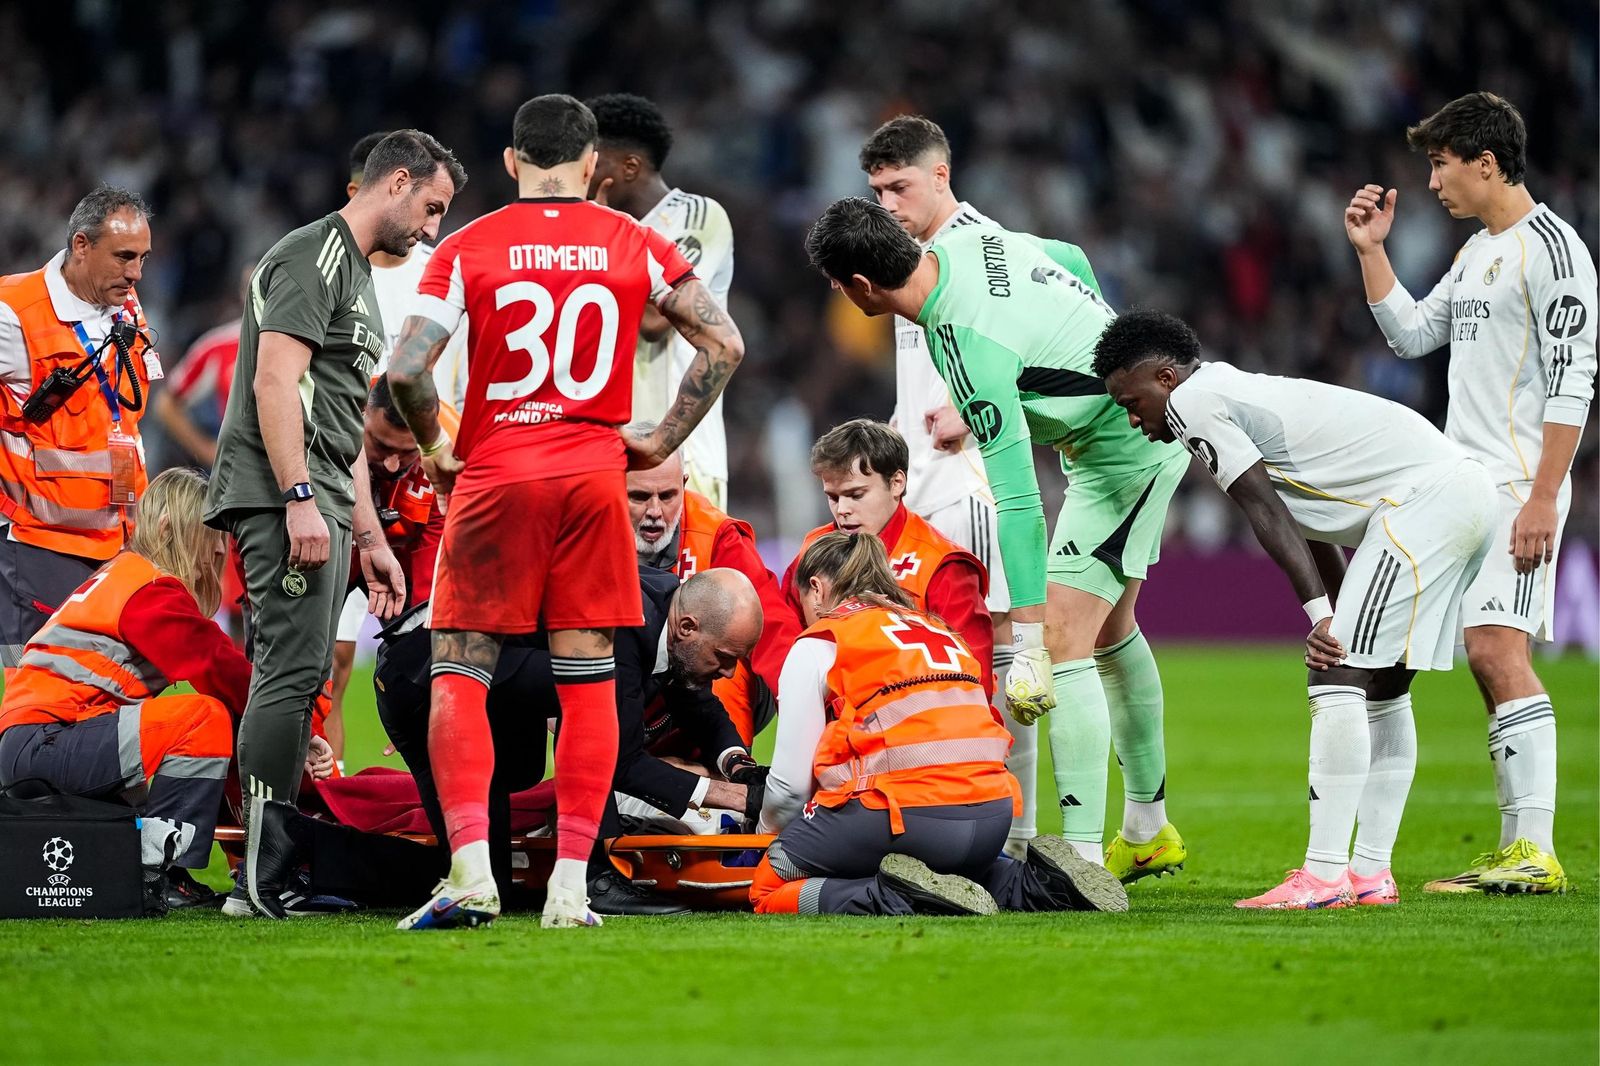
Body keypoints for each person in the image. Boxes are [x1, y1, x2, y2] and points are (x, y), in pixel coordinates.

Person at [386, 94, 744, 930]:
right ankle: (571, 889)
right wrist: (657, 442)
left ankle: (472, 872)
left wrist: (439, 449)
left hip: (496, 478)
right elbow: (724, 344)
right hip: (592, 480)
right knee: (588, 687)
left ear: (512, 164)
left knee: (459, 675)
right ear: (590, 165)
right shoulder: (637, 240)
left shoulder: (467, 246)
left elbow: (407, 372)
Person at [805, 197, 1188, 879]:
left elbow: (1017, 498)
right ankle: (1147, 826)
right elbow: (1067, 259)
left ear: (861, 288)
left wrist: (1032, 643)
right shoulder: (978, 244)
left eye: (838, 283)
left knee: (1066, 642)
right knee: (1111, 633)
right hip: (1114, 440)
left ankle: (1078, 864)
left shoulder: (960, 343)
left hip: (1124, 455)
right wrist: (1096, 357)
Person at [1095, 310, 1499, 909]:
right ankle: (1368, 875)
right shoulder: (1233, 392)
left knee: (1334, 669)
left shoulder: (1196, 402)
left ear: (1165, 377)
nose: (1133, 419)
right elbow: (1309, 522)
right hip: (1462, 495)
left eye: (1132, 400)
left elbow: (1265, 511)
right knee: (1383, 685)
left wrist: (1319, 618)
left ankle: (1325, 876)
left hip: (1425, 502)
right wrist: (1331, 607)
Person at [204, 129, 464, 918]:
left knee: (303, 671)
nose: (432, 230)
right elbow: (274, 383)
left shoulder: (349, 270)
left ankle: (267, 865)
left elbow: (342, 421)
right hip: (285, 493)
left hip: (319, 495)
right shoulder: (312, 256)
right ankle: (258, 873)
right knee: (288, 674)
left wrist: (368, 534)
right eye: (430, 207)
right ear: (393, 182)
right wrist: (296, 498)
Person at [1345, 92, 1595, 896]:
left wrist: (1542, 499)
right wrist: (1371, 252)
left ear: (1485, 163)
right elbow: (1412, 334)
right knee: (1461, 659)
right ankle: (1516, 847)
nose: (1431, 181)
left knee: (1497, 650)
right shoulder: (1477, 251)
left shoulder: (1554, 251)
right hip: (1462, 486)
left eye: (1441, 163)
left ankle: (1533, 850)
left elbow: (1573, 382)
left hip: (1517, 486)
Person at [0, 469, 333, 910]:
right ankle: (160, 870)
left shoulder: (126, 577)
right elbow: (216, 663)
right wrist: (296, 725)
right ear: (169, 529)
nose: (215, 551)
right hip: (47, 741)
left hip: (43, 740)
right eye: (207, 539)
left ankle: (195, 867)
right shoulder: (149, 589)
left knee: (208, 718)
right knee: (203, 718)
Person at [751, 531, 1127, 917]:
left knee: (767, 885)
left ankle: (896, 897)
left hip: (902, 816)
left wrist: (768, 829)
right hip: (992, 817)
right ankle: (1037, 884)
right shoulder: (939, 629)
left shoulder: (818, 644)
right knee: (957, 870)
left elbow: (791, 789)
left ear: (816, 588)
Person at [379, 566, 765, 918]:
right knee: (585, 703)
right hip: (420, 685)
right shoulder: (625, 621)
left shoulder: (668, 608)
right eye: (724, 656)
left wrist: (737, 765)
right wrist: (733, 797)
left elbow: (696, 700)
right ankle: (594, 875)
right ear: (687, 627)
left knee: (499, 880)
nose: (730, 672)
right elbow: (618, 760)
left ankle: (586, 872)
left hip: (480, 682)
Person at [858, 116, 1033, 848]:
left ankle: (1017, 840)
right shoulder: (907, 259)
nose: (888, 202)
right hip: (913, 484)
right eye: (876, 190)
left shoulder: (986, 249)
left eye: (899, 186)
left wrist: (975, 400)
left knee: (992, 664)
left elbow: (1041, 336)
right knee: (913, 660)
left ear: (940, 174)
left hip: (972, 484)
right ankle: (921, 823)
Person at [328, 133, 472, 762]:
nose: (427, 225)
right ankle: (317, 803)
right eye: (429, 207)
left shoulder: (440, 276)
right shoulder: (324, 273)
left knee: (432, 651)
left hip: (419, 466)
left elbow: (459, 385)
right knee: (326, 662)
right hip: (338, 470)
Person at [0, 185, 159, 667]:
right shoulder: (14, 311)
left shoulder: (127, 309)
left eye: (144, 258)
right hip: (41, 545)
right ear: (82, 246)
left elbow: (126, 422)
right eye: (124, 257)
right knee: (40, 700)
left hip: (121, 542)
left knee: (111, 694)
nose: (135, 273)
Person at [589, 93, 736, 509]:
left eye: (593, 161)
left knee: (690, 577)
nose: (582, 173)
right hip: (610, 449)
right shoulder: (593, 228)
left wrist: (599, 233)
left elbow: (656, 318)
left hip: (686, 457)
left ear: (629, 166)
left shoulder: (698, 216)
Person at [780, 419, 993, 696]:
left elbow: (975, 678)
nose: (842, 509)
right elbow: (784, 629)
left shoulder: (942, 564)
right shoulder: (813, 547)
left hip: (913, 723)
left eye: (856, 494)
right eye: (832, 497)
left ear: (896, 483)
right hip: (832, 718)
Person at [627, 439, 797, 743]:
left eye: (667, 496)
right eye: (639, 497)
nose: (655, 511)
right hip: (633, 672)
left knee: (723, 650)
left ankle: (725, 773)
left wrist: (805, 709)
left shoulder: (717, 533)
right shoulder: (581, 528)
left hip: (706, 678)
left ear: (684, 484)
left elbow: (772, 625)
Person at [327, 378, 458, 762]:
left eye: (406, 452)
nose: (390, 463)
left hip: (401, 551)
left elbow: (429, 588)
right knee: (321, 665)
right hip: (328, 537)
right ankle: (307, 788)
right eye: (380, 445)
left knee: (431, 658)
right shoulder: (327, 416)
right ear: (360, 415)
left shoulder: (448, 455)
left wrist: (418, 697)